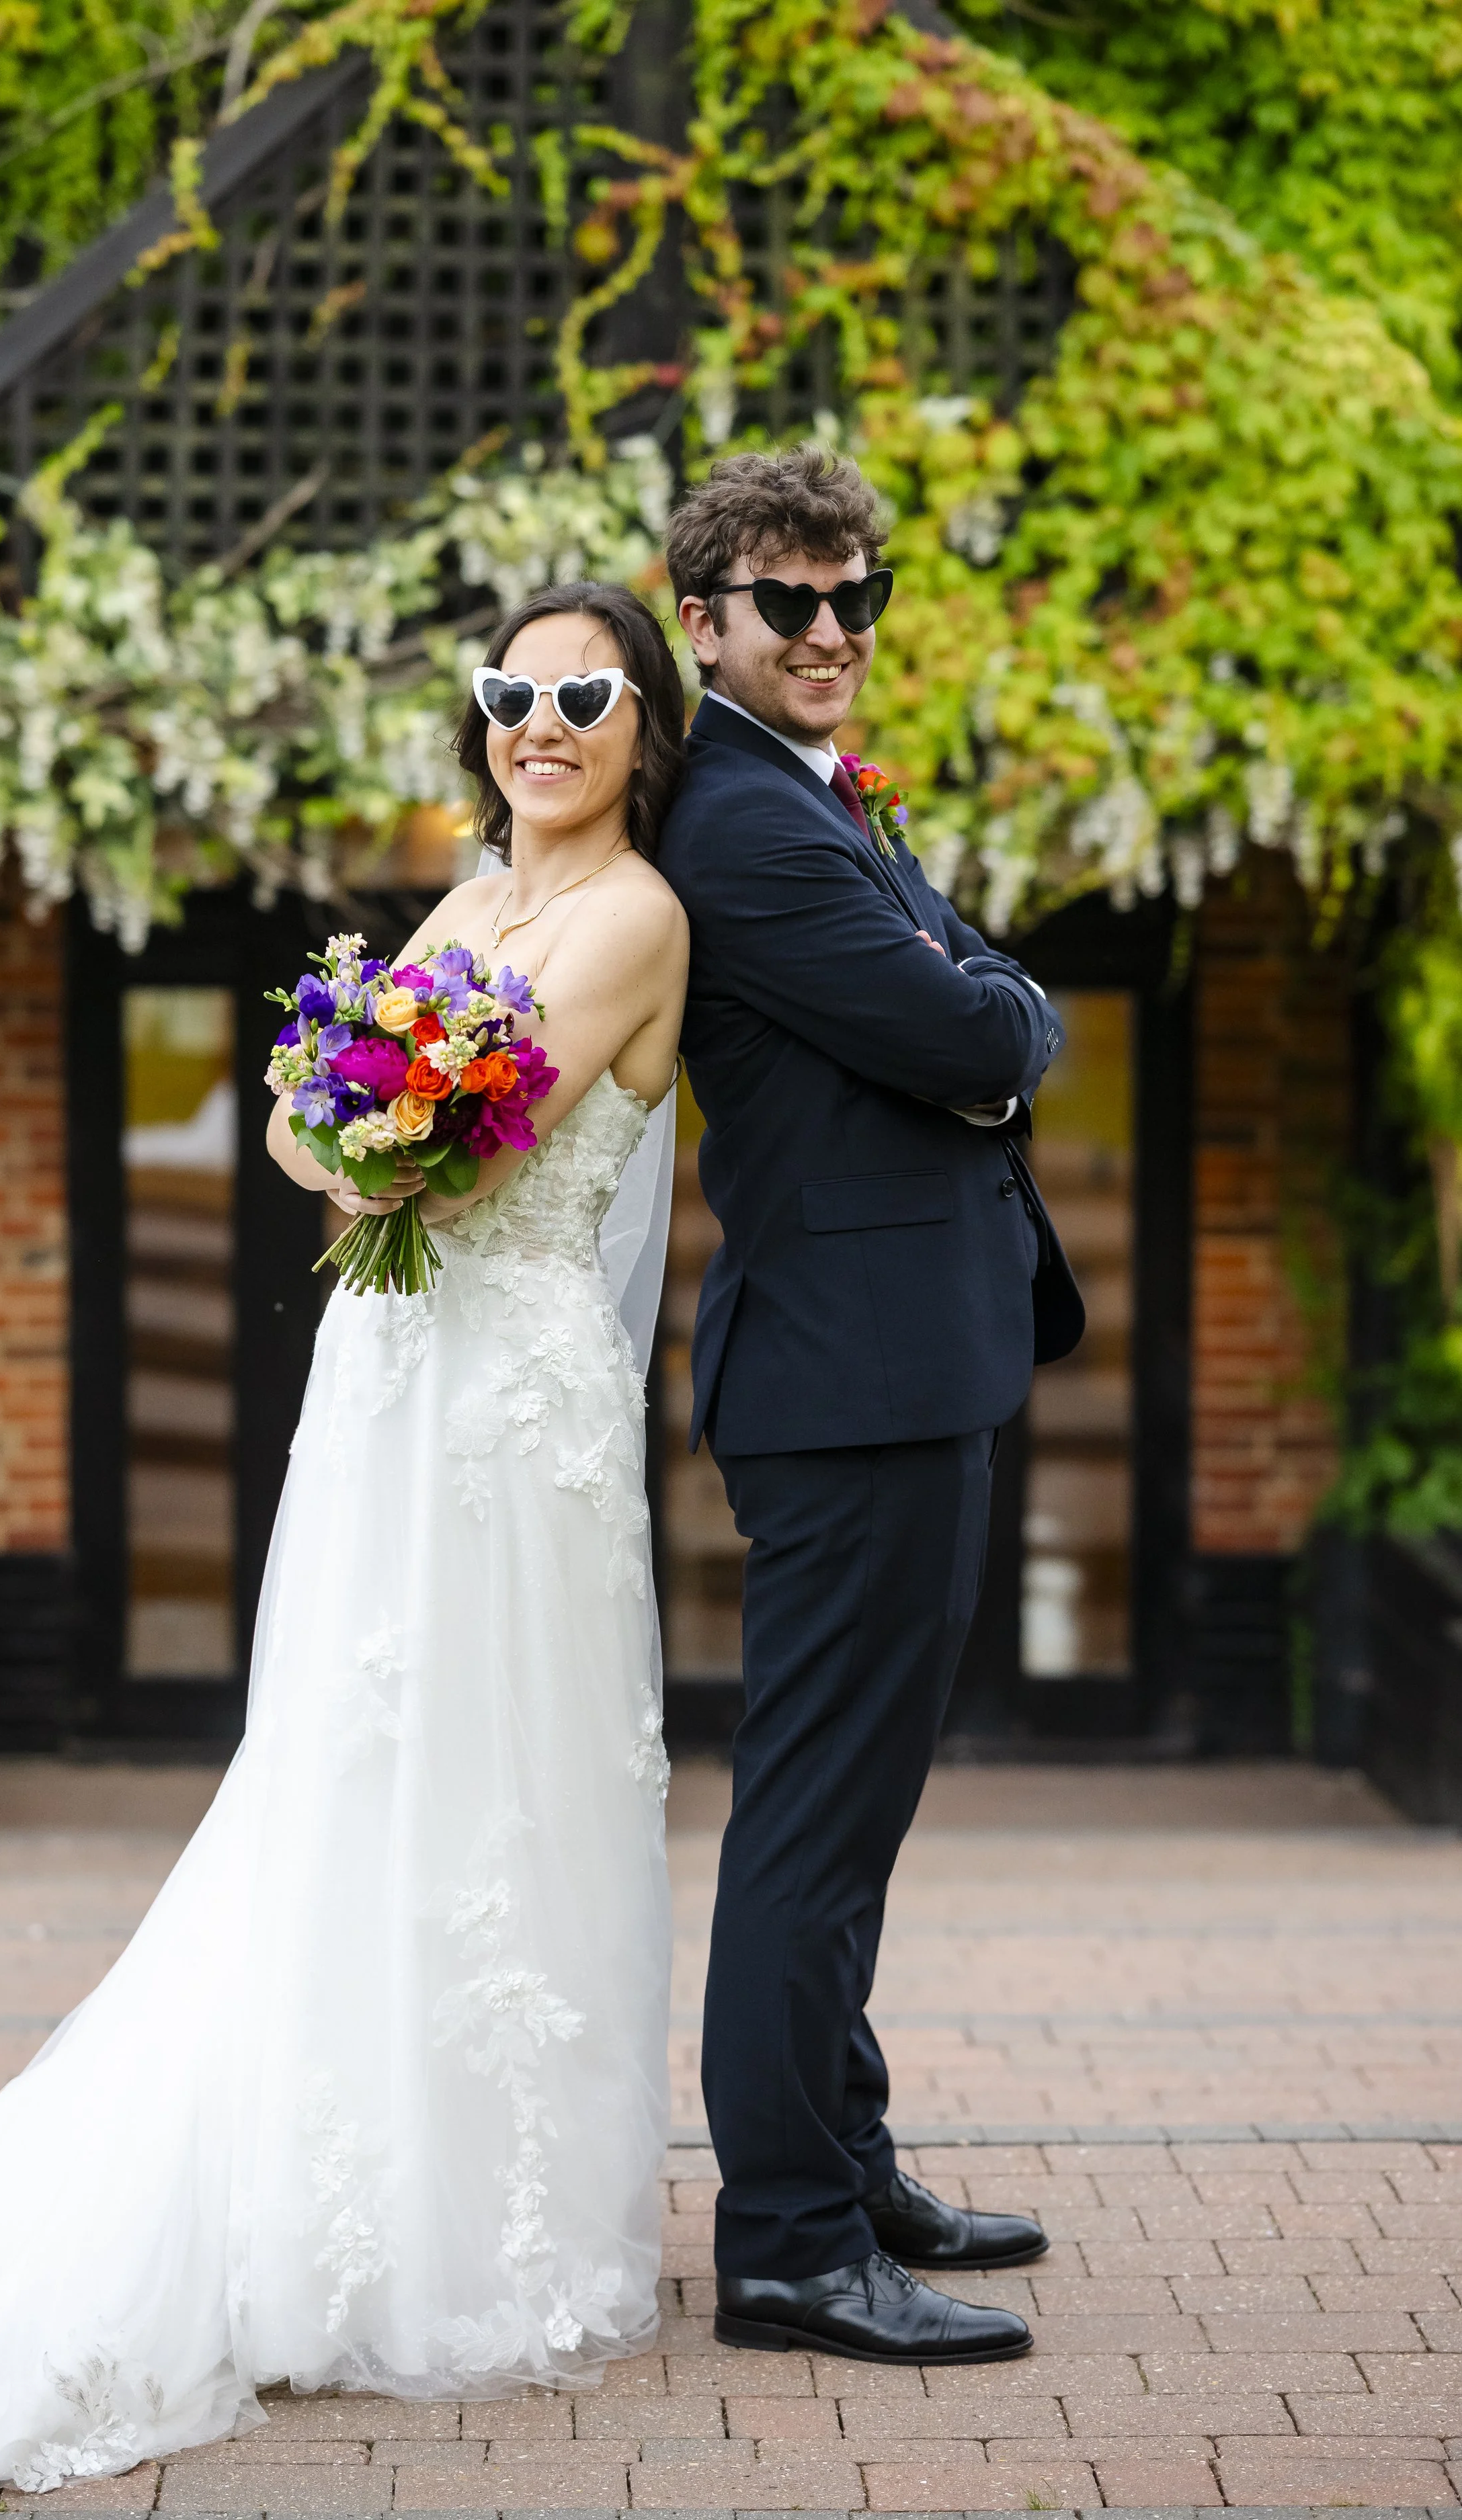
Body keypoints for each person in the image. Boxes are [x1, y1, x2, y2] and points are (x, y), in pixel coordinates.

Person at [0, 581, 690, 2505]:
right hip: (392, 1389)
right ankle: (332, 2201)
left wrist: (361, 1119)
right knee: (348, 1775)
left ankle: (480, 2227)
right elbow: (322, 1124)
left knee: (494, 1790)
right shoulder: (472, 900)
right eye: (509, 692)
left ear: (644, 726)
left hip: (506, 1422)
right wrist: (355, 1115)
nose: (540, 722)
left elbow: (450, 1153)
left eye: (583, 694)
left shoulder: (628, 917)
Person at [655, 446, 1084, 2368]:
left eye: (854, 598)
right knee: (814, 1822)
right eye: (786, 601)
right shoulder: (745, 827)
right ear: (702, 625)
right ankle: (790, 2238)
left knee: (851, 1810)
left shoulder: (810, 798)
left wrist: (984, 1023)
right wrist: (994, 1047)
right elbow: (970, 1020)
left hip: (894, 1361)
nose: (830, 631)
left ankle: (850, 2156)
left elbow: (981, 989)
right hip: (849, 1376)